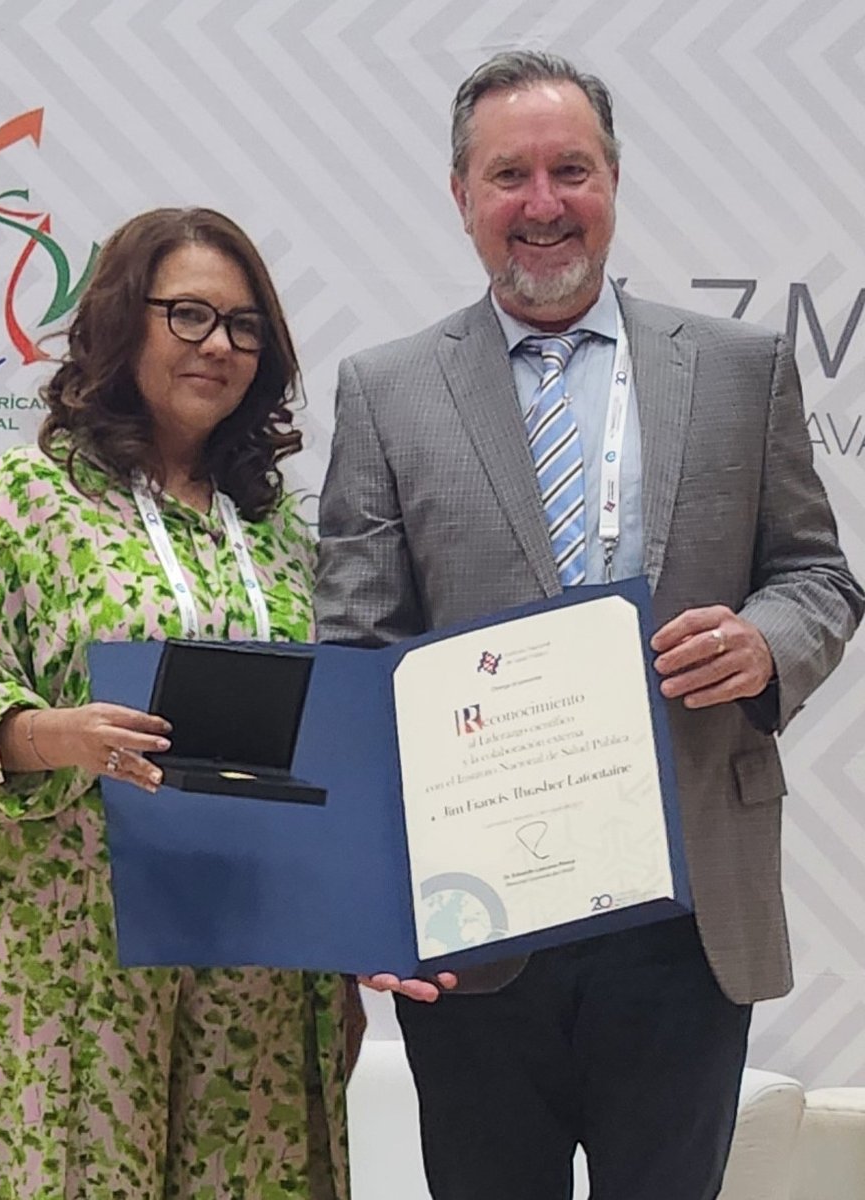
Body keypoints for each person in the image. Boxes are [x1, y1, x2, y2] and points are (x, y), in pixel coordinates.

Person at [315, 51, 864, 1200]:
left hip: (687, 913)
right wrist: (368, 899)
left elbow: (816, 575)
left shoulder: (737, 368)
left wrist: (767, 641)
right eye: (508, 173)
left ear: (614, 180)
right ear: (460, 195)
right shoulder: (386, 389)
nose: (543, 203)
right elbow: (354, 659)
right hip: (475, 926)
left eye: (572, 168)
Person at [0, 207, 357, 1200]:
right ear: (125, 319)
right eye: (190, 315)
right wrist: (54, 735)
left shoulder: (279, 525)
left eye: (245, 327)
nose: (219, 346)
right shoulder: (33, 496)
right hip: (75, 958)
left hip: (256, 967)